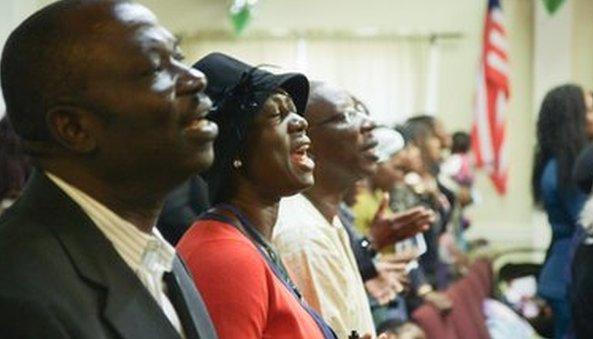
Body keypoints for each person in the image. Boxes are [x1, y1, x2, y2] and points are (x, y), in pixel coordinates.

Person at [0, 1, 218, 338]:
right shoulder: (20, 293)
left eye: (179, 58)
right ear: (74, 128)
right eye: (155, 68)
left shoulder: (155, 253)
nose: (196, 78)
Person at [177, 53, 336, 339]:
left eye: (294, 111)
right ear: (235, 150)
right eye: (277, 114)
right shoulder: (225, 257)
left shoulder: (250, 241)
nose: (301, 122)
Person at [273, 82, 432, 338]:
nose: (369, 124)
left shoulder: (326, 219)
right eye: (346, 116)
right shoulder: (304, 235)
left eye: (362, 112)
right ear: (305, 141)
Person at [532, 84, 593, 339]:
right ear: (573, 119)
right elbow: (584, 221)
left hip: (563, 271)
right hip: (569, 277)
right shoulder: (566, 169)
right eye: (588, 110)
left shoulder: (558, 163)